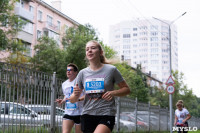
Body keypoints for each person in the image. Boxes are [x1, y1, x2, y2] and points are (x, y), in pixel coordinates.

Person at [70, 40, 131, 133]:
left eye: (93, 48)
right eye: (87, 49)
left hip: (106, 113)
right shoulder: (82, 73)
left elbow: (126, 89)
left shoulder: (111, 70)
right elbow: (72, 100)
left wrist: (113, 92)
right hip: (87, 114)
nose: (89, 51)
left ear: (101, 52)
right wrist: (75, 94)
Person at [56, 63, 84, 133]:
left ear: (76, 72)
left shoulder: (81, 82)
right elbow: (66, 95)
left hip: (80, 113)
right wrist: (63, 100)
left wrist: (78, 99)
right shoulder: (64, 84)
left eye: (70, 70)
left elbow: (87, 95)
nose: (68, 72)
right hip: (68, 112)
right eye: (67, 70)